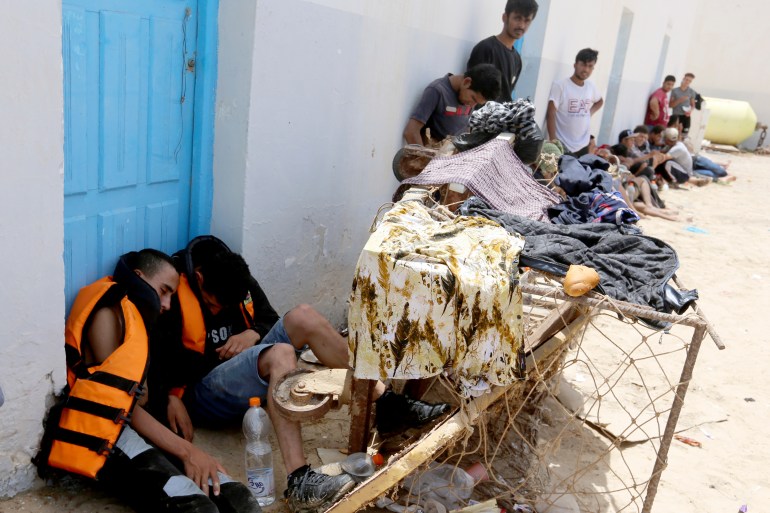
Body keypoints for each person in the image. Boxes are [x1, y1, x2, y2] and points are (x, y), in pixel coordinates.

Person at [154, 236, 451, 513]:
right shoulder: (174, 291)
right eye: (212, 306)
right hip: (204, 391)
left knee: (302, 316)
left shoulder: (233, 271)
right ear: (200, 280)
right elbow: (159, 355)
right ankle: (299, 481)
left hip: (245, 367)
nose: (217, 312)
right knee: (281, 354)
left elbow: (268, 318)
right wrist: (171, 394)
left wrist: (251, 334)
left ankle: (385, 401)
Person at [35, 250, 260, 513]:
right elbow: (120, 408)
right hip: (105, 432)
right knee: (197, 507)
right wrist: (188, 452)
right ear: (139, 278)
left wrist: (170, 399)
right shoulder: (108, 315)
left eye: (172, 295)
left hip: (136, 422)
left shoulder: (140, 317)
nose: (166, 304)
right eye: (163, 291)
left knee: (238, 499)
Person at [403, 64, 501, 145]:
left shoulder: (469, 99)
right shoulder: (437, 91)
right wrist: (425, 160)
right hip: (435, 157)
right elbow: (411, 132)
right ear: (467, 82)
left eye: (477, 103)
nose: (471, 106)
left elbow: (464, 128)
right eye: (473, 98)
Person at [466, 0, 539, 103]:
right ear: (505, 17)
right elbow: (471, 92)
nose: (522, 26)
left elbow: (507, 94)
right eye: (517, 18)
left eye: (527, 21)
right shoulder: (486, 48)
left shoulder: (517, 59)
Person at [546, 48, 604, 158]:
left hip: (583, 145)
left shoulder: (590, 87)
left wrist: (589, 113)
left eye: (590, 66)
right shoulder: (561, 85)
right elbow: (551, 114)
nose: (586, 69)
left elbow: (600, 101)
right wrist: (553, 141)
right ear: (575, 65)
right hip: (563, 144)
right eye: (583, 65)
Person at [662, 127, 735, 183]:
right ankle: (725, 176)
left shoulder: (677, 147)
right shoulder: (672, 146)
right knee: (711, 174)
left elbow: (665, 156)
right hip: (692, 167)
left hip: (695, 160)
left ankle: (726, 174)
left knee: (719, 171)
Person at [669, 73, 697, 138]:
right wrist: (679, 100)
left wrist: (690, 111)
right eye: (687, 79)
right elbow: (670, 105)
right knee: (674, 134)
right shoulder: (674, 91)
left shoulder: (691, 92)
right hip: (676, 115)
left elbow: (693, 105)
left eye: (690, 81)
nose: (687, 82)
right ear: (683, 79)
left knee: (684, 135)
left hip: (686, 116)